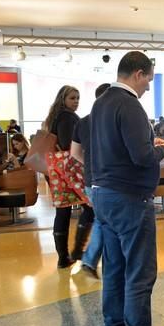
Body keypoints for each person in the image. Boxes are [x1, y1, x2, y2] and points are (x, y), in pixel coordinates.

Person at [90, 51, 164, 326]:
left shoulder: (101, 103)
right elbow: (141, 156)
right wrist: (162, 148)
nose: (148, 87)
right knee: (140, 270)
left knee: (114, 267)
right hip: (129, 197)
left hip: (103, 193)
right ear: (138, 73)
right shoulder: (129, 105)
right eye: (149, 80)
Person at [43, 85, 95, 269]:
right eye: (72, 98)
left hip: (56, 169)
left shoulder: (54, 117)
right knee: (89, 207)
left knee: (63, 210)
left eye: (78, 98)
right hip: (69, 168)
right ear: (63, 99)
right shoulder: (67, 117)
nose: (76, 102)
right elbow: (67, 145)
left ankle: (63, 257)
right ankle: (77, 251)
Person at [70, 83, 111, 279]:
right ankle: (90, 259)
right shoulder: (112, 119)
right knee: (104, 221)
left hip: (90, 179)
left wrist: (90, 163)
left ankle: (92, 259)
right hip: (110, 179)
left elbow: (74, 153)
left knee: (102, 219)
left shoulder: (83, 122)